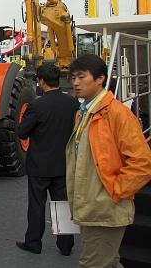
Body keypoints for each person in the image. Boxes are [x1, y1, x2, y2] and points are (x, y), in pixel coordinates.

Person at [67, 54, 151, 267]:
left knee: (93, 263)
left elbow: (142, 163)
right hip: (89, 207)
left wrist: (114, 191)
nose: (75, 83)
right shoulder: (83, 112)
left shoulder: (117, 114)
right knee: (110, 262)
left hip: (103, 209)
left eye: (81, 77)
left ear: (100, 79)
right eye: (73, 77)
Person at [15, 63, 78, 255]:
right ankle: (66, 246)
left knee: (37, 206)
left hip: (39, 166)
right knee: (63, 205)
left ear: (41, 81)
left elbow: (22, 132)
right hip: (63, 164)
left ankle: (33, 243)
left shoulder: (37, 105)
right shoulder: (72, 103)